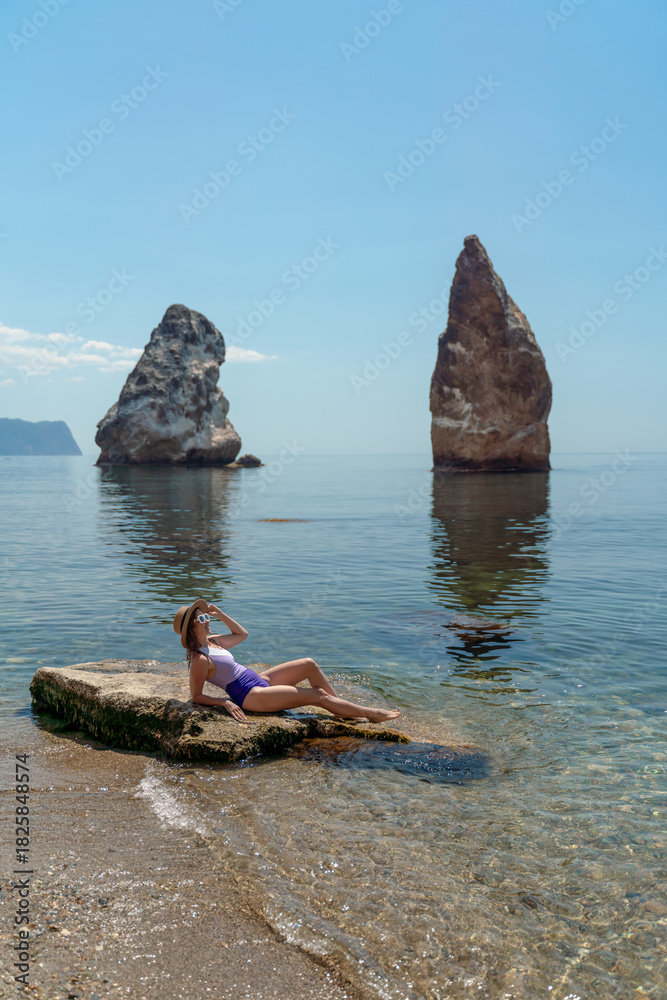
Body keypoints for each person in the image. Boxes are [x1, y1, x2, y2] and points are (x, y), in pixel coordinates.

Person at [173, 598, 401, 724]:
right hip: (251, 696)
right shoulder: (199, 659)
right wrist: (224, 702)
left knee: (309, 664)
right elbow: (196, 696)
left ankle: (341, 709)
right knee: (317, 696)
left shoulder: (213, 641)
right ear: (191, 629)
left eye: (205, 616)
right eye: (201, 618)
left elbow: (242, 634)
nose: (206, 620)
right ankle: (370, 714)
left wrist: (221, 614)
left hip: (258, 680)